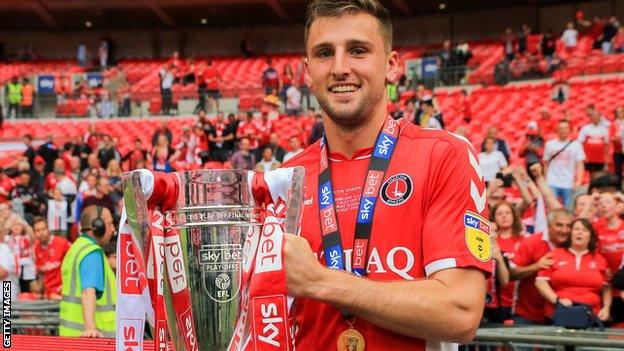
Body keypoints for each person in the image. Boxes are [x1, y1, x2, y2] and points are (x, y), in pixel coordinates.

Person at [282, 1, 491, 349]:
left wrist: (321, 281)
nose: (340, 68)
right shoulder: (287, 177)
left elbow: (461, 311)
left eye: (358, 50)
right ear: (307, 72)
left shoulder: (443, 154)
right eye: (324, 54)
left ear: (391, 65)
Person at [535, 218, 611, 321]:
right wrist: (557, 300)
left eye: (584, 230)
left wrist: (606, 308)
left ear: (590, 236)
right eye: (576, 229)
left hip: (591, 317)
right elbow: (540, 281)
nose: (579, 232)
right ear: (570, 234)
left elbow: (606, 287)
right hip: (558, 314)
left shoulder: (600, 260)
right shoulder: (555, 255)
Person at [59, 205, 116, 337]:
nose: (113, 229)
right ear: (98, 226)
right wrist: (91, 328)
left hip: (70, 336)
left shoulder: (77, 247)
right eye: (110, 224)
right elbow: (88, 291)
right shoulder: (92, 253)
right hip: (93, 338)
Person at [510, 209, 573, 325]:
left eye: (568, 226)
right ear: (548, 226)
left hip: (560, 314)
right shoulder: (532, 242)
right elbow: (511, 273)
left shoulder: (574, 244)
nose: (564, 230)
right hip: (528, 313)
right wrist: (536, 266)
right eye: (559, 225)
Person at [489, 201, 526, 322]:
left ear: (514, 216)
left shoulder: (524, 240)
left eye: (507, 213)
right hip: (490, 300)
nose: (504, 216)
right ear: (493, 218)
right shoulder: (489, 239)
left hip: (515, 301)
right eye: (499, 213)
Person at [543, 119, 585, 208]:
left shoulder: (576, 145)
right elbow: (545, 163)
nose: (563, 130)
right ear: (557, 129)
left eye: (565, 128)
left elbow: (580, 165)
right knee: (551, 207)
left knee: (568, 209)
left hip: (568, 182)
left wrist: (578, 181)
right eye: (561, 128)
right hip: (552, 181)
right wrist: (546, 180)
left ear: (569, 129)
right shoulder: (549, 144)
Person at [33, 217, 70, 300]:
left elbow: (75, 260)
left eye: (43, 229)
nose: (41, 233)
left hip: (63, 291)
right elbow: (41, 273)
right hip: (48, 293)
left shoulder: (62, 242)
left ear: (48, 229)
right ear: (34, 233)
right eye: (38, 231)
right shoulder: (36, 248)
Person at [578, 104, 610, 174]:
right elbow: (580, 144)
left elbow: (606, 146)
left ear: (600, 117)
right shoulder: (585, 128)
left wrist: (606, 159)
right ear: (591, 117)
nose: (595, 118)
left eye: (597, 116)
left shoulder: (604, 130)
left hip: (600, 160)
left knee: (598, 179)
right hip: (588, 159)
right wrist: (583, 156)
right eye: (594, 116)